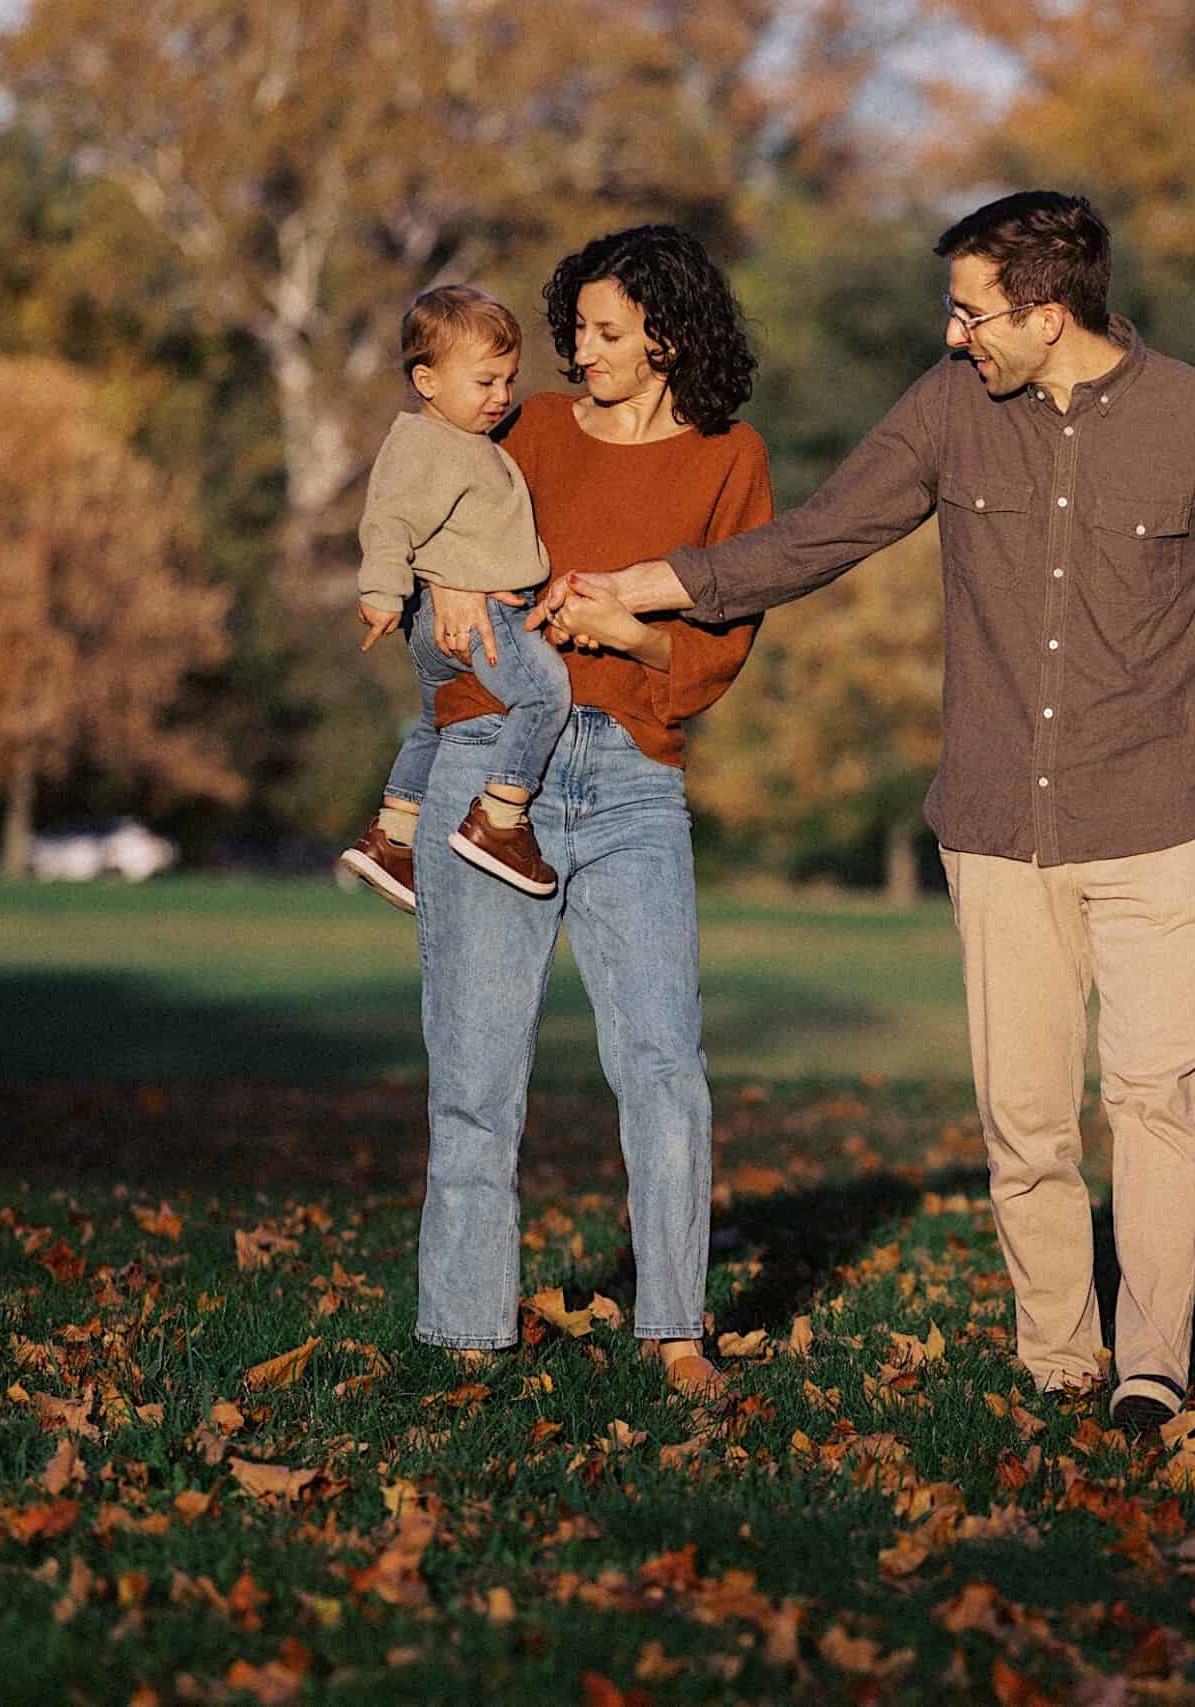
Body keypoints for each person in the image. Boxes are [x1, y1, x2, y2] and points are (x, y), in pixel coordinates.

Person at [556, 191, 1195, 1432]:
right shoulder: (952, 408)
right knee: (1024, 1120)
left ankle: (1151, 1364)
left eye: (971, 312)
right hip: (1000, 826)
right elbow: (822, 536)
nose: (954, 335)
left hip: (1160, 822)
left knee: (1158, 1106)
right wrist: (653, 582)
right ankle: (1060, 1358)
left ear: (1048, 316)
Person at [410, 226, 770, 1393]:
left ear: (670, 337)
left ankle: (673, 1329)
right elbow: (418, 483)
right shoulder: (528, 428)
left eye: (608, 334)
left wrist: (625, 631)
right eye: (576, 331)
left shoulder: (729, 459)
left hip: (630, 782)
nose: (579, 353)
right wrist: (443, 573)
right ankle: (465, 1332)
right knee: (474, 1070)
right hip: (486, 760)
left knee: (665, 1064)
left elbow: (719, 652)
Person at [340, 285, 572, 910]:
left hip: (441, 624)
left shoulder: (464, 442)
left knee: (437, 722)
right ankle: (500, 819)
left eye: (508, 380)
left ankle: (392, 836)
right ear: (427, 380)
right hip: (483, 619)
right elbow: (388, 521)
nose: (502, 396)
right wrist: (383, 592)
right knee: (545, 692)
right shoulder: (428, 446)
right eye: (485, 381)